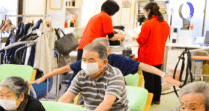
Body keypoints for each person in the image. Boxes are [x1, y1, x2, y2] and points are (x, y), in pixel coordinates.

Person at [32, 38, 181, 89]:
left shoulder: (119, 61)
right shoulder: (88, 62)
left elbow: (142, 65)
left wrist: (163, 74)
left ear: (108, 51)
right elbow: (67, 67)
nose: (88, 62)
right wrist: (46, 76)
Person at [135, 2, 171, 105]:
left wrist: (136, 37)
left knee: (149, 79)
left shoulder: (148, 23)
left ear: (149, 11)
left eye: (145, 12)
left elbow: (141, 40)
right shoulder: (165, 24)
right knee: (157, 77)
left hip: (148, 55)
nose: (145, 14)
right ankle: (156, 99)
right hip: (159, 55)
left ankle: (148, 101)